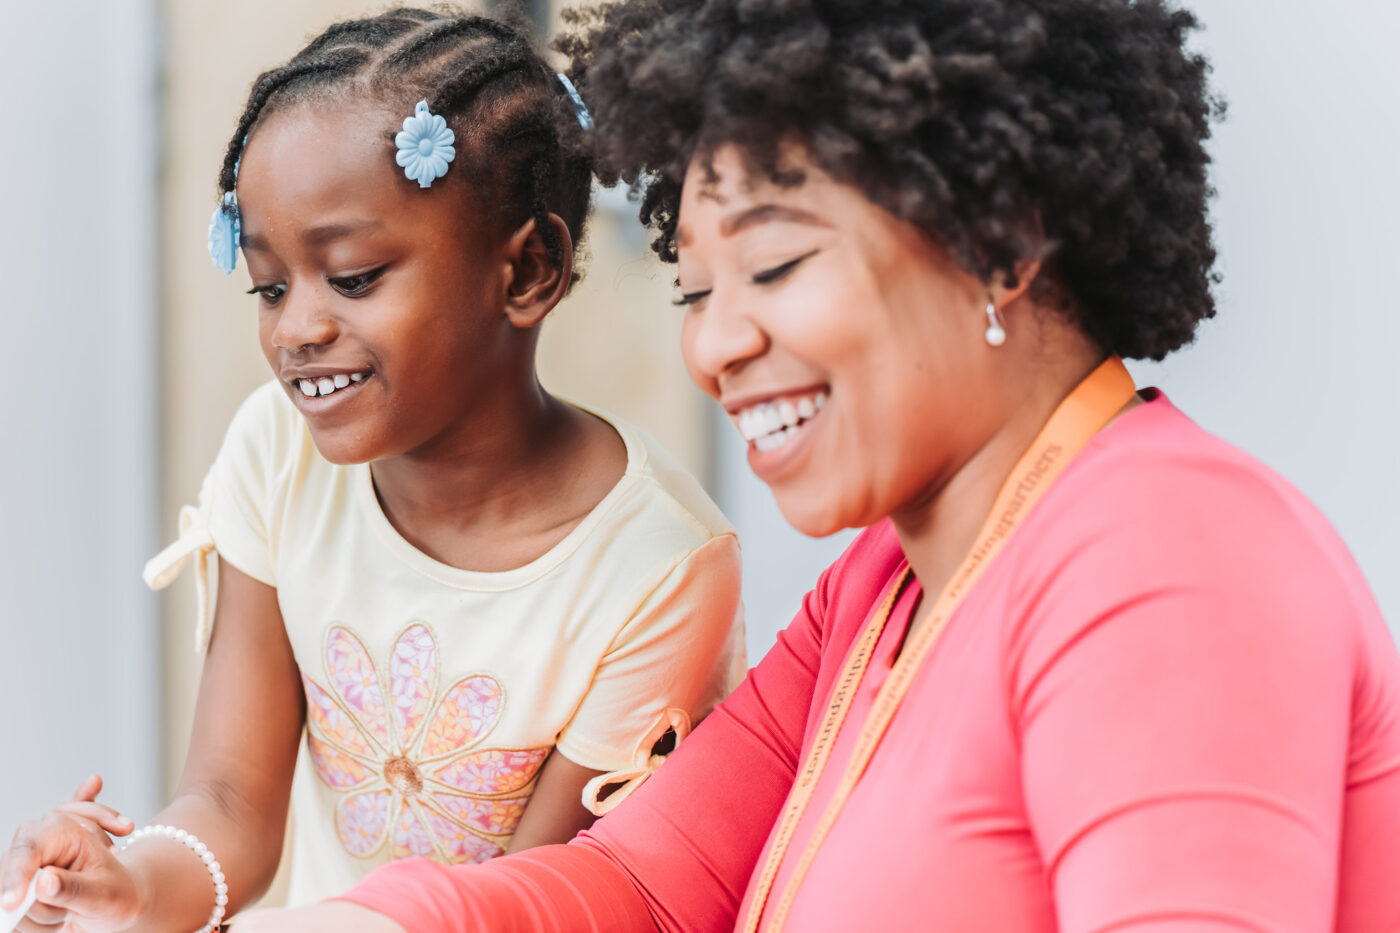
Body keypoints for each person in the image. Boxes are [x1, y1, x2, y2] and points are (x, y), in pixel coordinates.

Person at [224, 0, 1400, 930]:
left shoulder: (1164, 554)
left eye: (775, 267)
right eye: (694, 289)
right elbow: (642, 887)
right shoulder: (880, 590)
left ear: (995, 240)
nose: (714, 345)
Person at [0, 7, 746, 932]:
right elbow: (231, 802)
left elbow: (530, 904)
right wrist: (132, 885)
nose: (296, 329)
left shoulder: (658, 568)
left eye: (352, 277)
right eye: (270, 286)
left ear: (528, 271)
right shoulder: (277, 452)